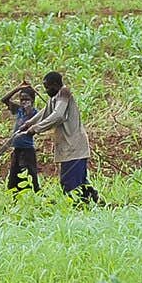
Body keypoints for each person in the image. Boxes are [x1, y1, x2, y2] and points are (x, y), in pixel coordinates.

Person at [22, 71, 99, 204]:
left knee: (71, 182)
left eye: (48, 87)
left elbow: (58, 116)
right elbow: (45, 113)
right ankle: (94, 202)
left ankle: (81, 206)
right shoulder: (55, 98)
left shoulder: (64, 94)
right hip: (67, 147)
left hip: (74, 146)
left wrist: (36, 129)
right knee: (77, 180)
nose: (46, 90)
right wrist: (29, 124)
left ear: (56, 84)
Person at [0, 80, 40, 192]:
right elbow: (4, 100)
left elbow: (35, 127)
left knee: (29, 176)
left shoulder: (35, 114)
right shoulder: (18, 110)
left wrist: (28, 111)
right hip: (17, 149)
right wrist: (17, 88)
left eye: (27, 99)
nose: (24, 102)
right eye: (22, 99)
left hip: (27, 151)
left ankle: (34, 197)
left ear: (32, 100)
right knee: (14, 178)